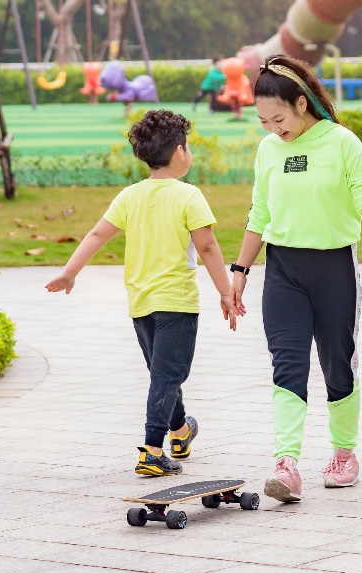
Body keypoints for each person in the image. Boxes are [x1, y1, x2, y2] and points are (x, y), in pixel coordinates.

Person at [231, 55, 362, 503]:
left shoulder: (342, 142)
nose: (273, 128)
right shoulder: (269, 150)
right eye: (264, 120)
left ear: (302, 103)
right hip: (283, 271)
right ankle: (286, 464)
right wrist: (240, 271)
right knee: (287, 365)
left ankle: (344, 455)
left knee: (337, 363)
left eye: (280, 117)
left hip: (334, 270)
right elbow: (260, 214)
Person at [46, 110, 241, 478]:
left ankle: (180, 433)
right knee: (167, 376)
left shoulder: (130, 195)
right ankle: (152, 451)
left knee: (163, 372)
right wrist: (226, 291)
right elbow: (210, 248)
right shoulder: (188, 195)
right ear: (181, 152)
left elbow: (97, 235)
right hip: (177, 304)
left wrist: (70, 272)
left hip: (140, 304)